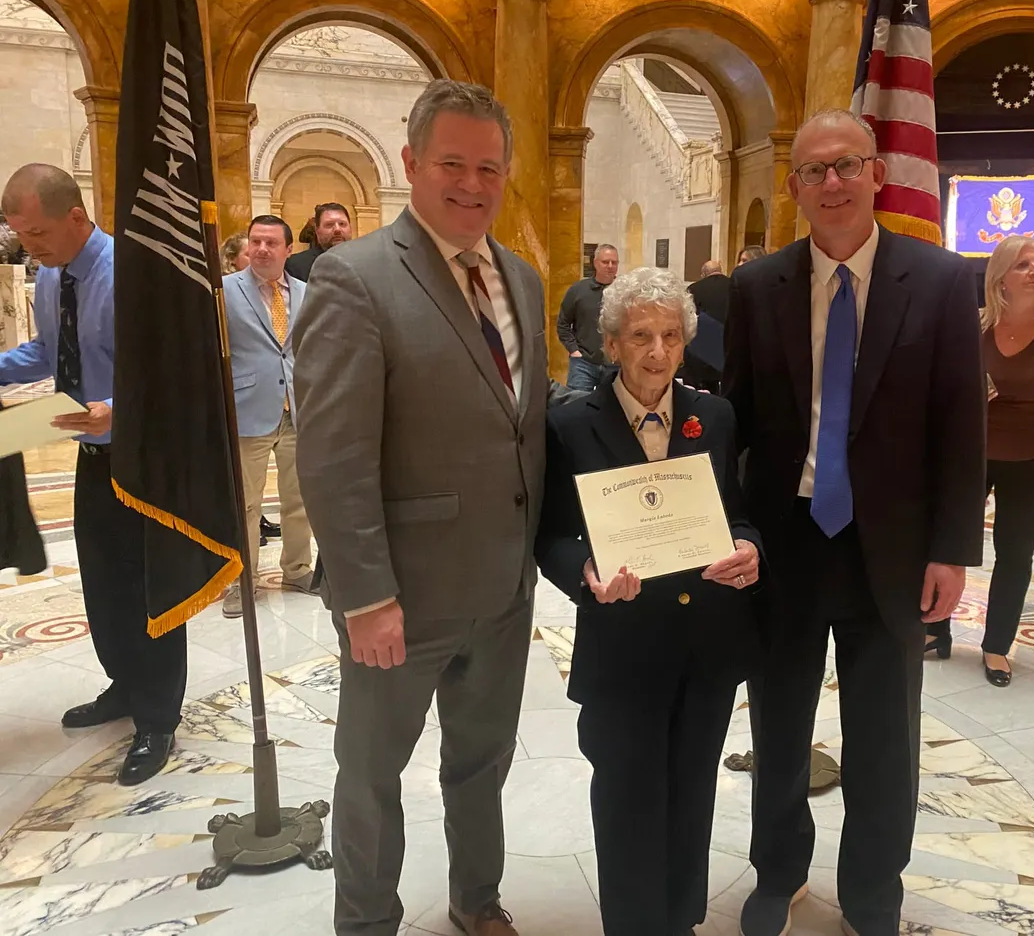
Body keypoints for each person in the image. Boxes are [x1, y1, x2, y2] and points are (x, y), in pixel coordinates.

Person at [294, 79, 560, 936]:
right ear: (411, 162)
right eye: (453, 163)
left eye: (489, 167)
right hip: (400, 599)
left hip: (503, 591)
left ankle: (476, 900)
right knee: (372, 775)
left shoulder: (522, 280)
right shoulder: (354, 277)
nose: (473, 184)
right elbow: (334, 456)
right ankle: (367, 921)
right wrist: (366, 595)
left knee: (481, 762)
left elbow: (522, 429)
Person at [724, 110, 987, 936]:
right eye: (813, 170)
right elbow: (735, 423)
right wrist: (732, 530)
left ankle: (874, 892)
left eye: (846, 165)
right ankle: (778, 876)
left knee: (883, 734)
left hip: (894, 550)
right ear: (794, 187)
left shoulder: (941, 280)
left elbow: (961, 425)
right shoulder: (757, 288)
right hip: (786, 543)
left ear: (877, 173)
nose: (831, 182)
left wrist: (953, 548)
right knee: (779, 723)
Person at [536, 268, 762, 936]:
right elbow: (550, 536)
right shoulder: (570, 424)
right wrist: (585, 571)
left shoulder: (713, 416)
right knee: (626, 801)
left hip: (704, 648)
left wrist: (749, 546)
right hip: (623, 647)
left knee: (692, 796)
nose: (657, 351)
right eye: (640, 336)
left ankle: (681, 919)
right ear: (611, 344)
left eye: (670, 335)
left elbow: (736, 511)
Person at [0, 163, 186, 785]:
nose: (29, 248)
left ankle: (158, 716)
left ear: (76, 217)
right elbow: (47, 353)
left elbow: (170, 369)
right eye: (21, 236)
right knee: (103, 583)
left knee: (149, 589)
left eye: (37, 234)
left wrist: (116, 408)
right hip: (89, 455)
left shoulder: (131, 274)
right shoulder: (53, 277)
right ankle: (125, 685)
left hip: (143, 459)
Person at [926, 236, 1034, 686]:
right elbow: (942, 390)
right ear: (1000, 278)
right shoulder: (972, 326)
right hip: (972, 456)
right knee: (947, 542)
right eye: (1023, 264)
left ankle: (996, 646)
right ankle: (935, 631)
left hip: (1033, 459)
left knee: (1015, 553)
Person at [219, 215, 314, 617]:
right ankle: (242, 580)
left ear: (288, 250)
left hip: (298, 408)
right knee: (245, 503)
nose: (261, 249)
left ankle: (298, 570)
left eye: (271, 243)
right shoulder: (224, 291)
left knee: (299, 499)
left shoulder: (307, 292)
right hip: (248, 409)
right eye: (256, 241)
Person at [557, 243, 619, 390]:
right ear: (595, 263)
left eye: (614, 262)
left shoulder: (624, 291)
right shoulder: (578, 290)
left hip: (616, 364)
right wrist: (574, 350)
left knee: (616, 404)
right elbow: (563, 324)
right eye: (605, 262)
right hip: (583, 363)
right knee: (577, 401)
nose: (610, 266)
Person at [682, 258, 732, 393]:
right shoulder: (734, 285)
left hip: (702, 350)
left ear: (703, 274)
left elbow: (689, 319)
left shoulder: (694, 289)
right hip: (729, 346)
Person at [285, 202, 353, 282]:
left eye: (342, 224)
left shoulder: (364, 261)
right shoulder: (296, 265)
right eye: (329, 224)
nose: (337, 229)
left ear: (350, 229)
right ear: (317, 231)